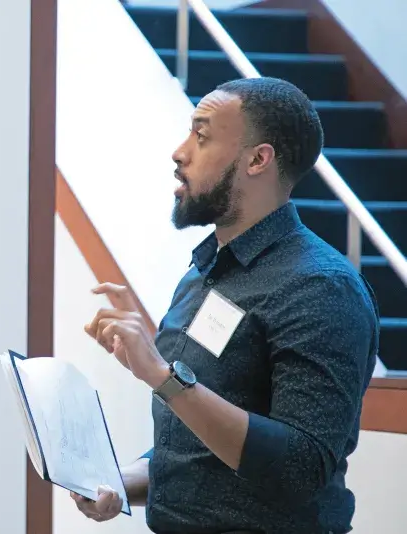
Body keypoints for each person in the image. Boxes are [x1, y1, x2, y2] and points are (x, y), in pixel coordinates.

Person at [73, 77, 379, 533]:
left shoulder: (321, 286)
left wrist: (164, 377)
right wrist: (120, 482)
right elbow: (196, 445)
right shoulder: (202, 274)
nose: (179, 153)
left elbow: (300, 466)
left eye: (201, 136)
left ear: (258, 159)